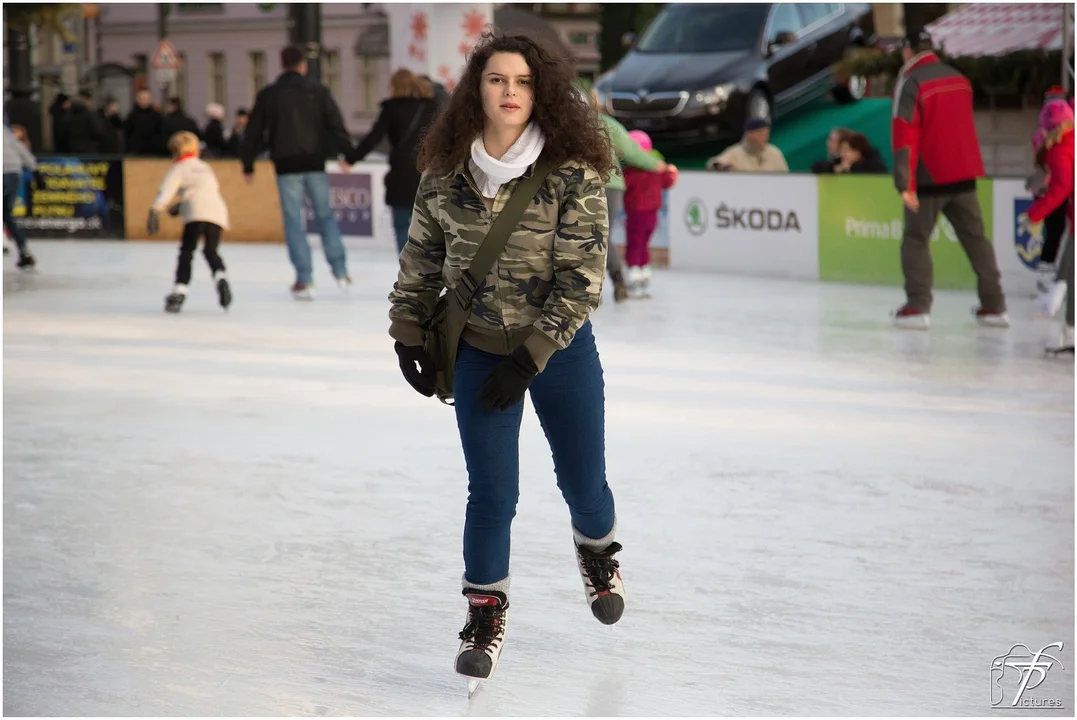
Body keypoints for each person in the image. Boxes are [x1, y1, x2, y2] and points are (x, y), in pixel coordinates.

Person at [388, 30, 622, 687]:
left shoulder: (570, 171)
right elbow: (421, 258)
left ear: (540, 89)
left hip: (561, 353)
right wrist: (407, 330)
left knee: (583, 483)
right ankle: (483, 616)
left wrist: (535, 354)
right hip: (478, 352)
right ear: (477, 90)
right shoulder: (445, 172)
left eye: (521, 81)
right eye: (496, 80)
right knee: (491, 494)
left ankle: (597, 550)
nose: (509, 92)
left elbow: (582, 277)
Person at [890, 30, 1008, 330]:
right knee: (976, 241)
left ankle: (918, 306)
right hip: (964, 175)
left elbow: (905, 133)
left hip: (930, 178)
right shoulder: (960, 79)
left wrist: (905, 184)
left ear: (908, 52)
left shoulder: (912, 82)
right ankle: (994, 305)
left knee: (916, 241)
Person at [242, 45, 355, 299]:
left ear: (282, 64)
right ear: (302, 65)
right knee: (325, 216)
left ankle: (305, 278)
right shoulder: (318, 90)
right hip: (314, 161)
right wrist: (347, 153)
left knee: (294, 221)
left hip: (286, 164)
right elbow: (335, 124)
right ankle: (340, 271)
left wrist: (247, 163)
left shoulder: (270, 94)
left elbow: (254, 131)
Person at [587, 85, 668, 302]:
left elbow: (633, 153)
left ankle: (605, 284)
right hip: (605, 185)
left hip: (599, 185)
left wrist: (655, 165)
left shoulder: (598, 125)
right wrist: (657, 164)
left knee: (593, 236)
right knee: (598, 236)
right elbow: (632, 152)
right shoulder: (607, 125)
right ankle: (611, 282)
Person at [346, 68, 439, 253]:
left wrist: (351, 158)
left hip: (401, 173)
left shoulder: (391, 109)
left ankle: (407, 269)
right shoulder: (430, 108)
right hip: (427, 173)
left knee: (401, 224)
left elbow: (374, 138)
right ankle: (425, 270)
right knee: (427, 226)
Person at [147, 131, 232, 314]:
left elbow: (167, 191)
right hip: (217, 212)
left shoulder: (178, 168)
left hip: (196, 213)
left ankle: (180, 291)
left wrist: (155, 210)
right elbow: (203, 190)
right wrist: (180, 206)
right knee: (211, 250)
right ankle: (221, 278)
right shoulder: (204, 167)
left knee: (187, 251)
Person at [1023, 100, 1074, 353]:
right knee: (1069, 271)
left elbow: (1061, 188)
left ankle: (1072, 333)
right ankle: (1070, 330)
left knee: (1071, 274)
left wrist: (1033, 214)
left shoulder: (1060, 147)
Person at [622, 129, 677, 298]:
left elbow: (623, 185)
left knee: (635, 243)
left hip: (637, 212)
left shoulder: (631, 171)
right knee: (644, 243)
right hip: (652, 214)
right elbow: (667, 182)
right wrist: (671, 172)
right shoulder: (656, 168)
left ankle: (634, 273)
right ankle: (644, 271)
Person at [3, 119, 38, 269]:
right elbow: (20, 149)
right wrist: (35, 169)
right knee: (6, 215)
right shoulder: (5, 132)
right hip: (14, 173)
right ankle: (25, 252)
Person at [706, 117, 789, 172]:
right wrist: (720, 166)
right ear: (749, 134)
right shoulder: (735, 153)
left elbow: (786, 179)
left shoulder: (775, 153)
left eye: (767, 134)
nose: (766, 138)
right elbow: (714, 164)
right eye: (761, 134)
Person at [124, 90, 164, 156]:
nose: (145, 101)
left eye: (147, 99)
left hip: (153, 152)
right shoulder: (131, 116)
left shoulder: (157, 116)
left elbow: (160, 133)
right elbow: (127, 133)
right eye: (142, 99)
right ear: (137, 100)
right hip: (135, 152)